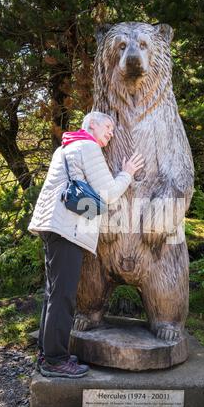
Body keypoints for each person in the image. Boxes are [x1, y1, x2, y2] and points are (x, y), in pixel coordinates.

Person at [28, 111, 145, 378]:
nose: (111, 132)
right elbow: (109, 193)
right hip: (68, 229)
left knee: (54, 294)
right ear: (91, 124)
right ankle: (55, 361)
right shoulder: (88, 146)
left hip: (54, 227)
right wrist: (127, 173)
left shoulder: (67, 147)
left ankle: (48, 354)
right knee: (63, 296)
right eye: (108, 126)